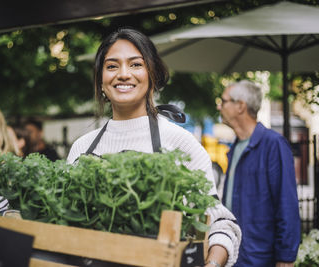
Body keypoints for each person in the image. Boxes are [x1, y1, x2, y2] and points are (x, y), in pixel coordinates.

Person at [67, 28, 241, 267]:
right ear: (100, 80)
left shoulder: (180, 143)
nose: (123, 74)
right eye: (112, 66)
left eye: (136, 64)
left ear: (153, 74)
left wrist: (211, 264)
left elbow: (220, 224)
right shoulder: (81, 148)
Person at [217, 80, 300, 266]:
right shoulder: (236, 146)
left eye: (223, 101)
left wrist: (286, 257)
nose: (219, 106)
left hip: (260, 257)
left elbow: (287, 204)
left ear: (240, 106)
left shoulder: (273, 144)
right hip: (235, 254)